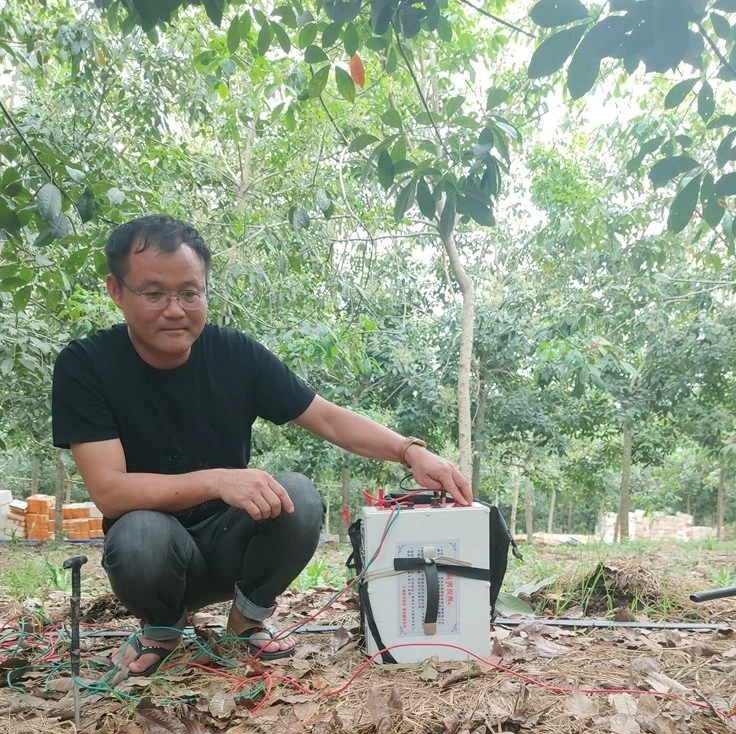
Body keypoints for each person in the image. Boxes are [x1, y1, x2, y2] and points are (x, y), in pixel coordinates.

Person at [52, 215, 472, 676]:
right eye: (153, 294)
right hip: (151, 558)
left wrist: (410, 451)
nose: (174, 309)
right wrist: (217, 479)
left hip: (232, 546)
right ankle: (163, 627)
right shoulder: (86, 365)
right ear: (116, 291)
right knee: (140, 534)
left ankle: (246, 620)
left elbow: (328, 417)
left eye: (190, 292)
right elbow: (109, 491)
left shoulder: (235, 354)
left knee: (299, 497)